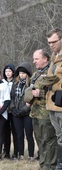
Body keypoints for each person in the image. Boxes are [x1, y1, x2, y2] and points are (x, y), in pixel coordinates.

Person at [27, 49, 57, 169]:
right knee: (39, 141)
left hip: (46, 114)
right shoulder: (35, 74)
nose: (34, 61)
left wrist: (40, 93)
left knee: (49, 142)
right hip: (35, 113)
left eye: (36, 59)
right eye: (34, 59)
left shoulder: (52, 72)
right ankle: (43, 164)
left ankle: (50, 166)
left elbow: (56, 91)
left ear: (45, 59)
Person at [10, 62, 35, 161]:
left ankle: (31, 155)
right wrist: (13, 109)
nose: (22, 75)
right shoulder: (15, 83)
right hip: (16, 113)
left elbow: (31, 100)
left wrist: (23, 110)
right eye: (20, 73)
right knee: (19, 135)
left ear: (27, 74)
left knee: (29, 135)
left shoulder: (31, 84)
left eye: (24, 73)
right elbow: (11, 97)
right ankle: (20, 154)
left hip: (27, 113)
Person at [45, 28, 62, 169]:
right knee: (59, 136)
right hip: (52, 103)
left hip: (61, 102)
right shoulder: (53, 58)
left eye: (54, 41)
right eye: (49, 42)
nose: (51, 44)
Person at [2, 63, 18, 160]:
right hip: (4, 111)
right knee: (5, 132)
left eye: (9, 71)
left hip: (13, 111)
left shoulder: (16, 82)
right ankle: (6, 152)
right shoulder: (2, 82)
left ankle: (16, 152)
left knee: (15, 132)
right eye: (6, 71)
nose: (8, 73)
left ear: (13, 72)